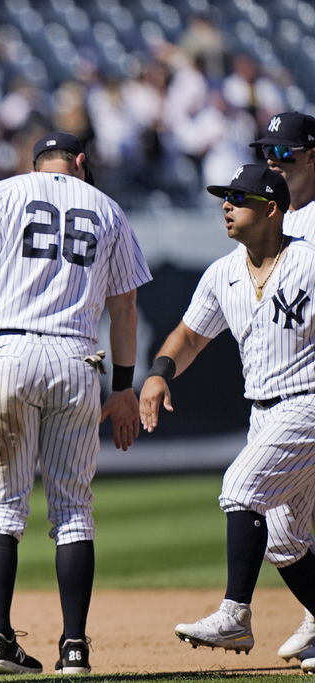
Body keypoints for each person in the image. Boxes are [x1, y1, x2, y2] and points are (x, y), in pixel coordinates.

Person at [0, 131, 151, 675]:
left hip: (5, 352)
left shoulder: (1, 194)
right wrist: (124, 386)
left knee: (3, 505)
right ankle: (74, 647)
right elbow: (124, 310)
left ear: (35, 164)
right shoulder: (108, 209)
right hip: (77, 358)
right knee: (73, 509)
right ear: (80, 162)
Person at [140, 164, 315, 661]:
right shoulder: (223, 272)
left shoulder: (309, 262)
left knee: (240, 488)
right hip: (263, 413)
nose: (227, 204)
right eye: (225, 196)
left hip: (307, 403)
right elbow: (190, 335)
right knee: (283, 541)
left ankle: (236, 616)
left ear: (271, 208)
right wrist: (158, 373)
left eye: (239, 197)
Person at [247, 112, 315, 665]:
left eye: (285, 152)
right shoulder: (273, 218)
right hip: (285, 393)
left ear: (313, 156)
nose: (274, 159)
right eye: (267, 150)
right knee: (283, 533)